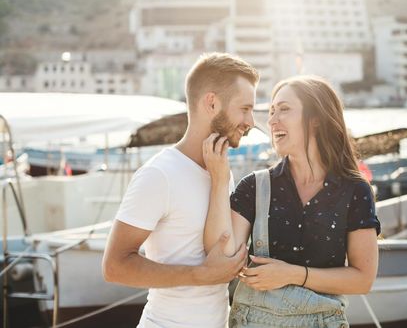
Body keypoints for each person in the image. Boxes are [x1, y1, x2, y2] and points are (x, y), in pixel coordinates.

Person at [203, 75, 381, 327]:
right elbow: (221, 255)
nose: (272, 120)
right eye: (272, 111)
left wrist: (292, 274)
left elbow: (363, 280)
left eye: (284, 109)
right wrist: (219, 181)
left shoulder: (355, 190)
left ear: (316, 120)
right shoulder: (254, 186)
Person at [102, 53, 259, 328]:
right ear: (211, 103)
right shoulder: (159, 174)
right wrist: (201, 275)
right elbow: (115, 266)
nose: (251, 121)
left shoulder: (222, 171)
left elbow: (224, 252)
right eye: (244, 109)